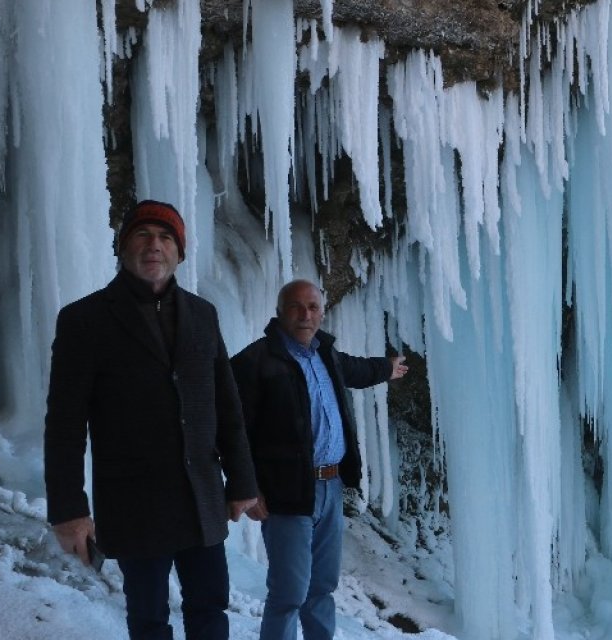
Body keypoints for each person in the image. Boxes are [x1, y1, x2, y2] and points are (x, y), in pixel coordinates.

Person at [45, 200, 259, 640]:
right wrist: (68, 511)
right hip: (134, 504)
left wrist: (242, 482)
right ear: (123, 248)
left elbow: (227, 405)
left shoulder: (203, 314)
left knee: (210, 609)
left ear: (179, 252)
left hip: (201, 497)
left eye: (165, 238)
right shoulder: (85, 320)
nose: (154, 246)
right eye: (142, 235)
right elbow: (65, 424)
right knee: (148, 619)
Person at [230, 279, 408, 640]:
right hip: (285, 493)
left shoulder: (326, 356)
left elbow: (357, 370)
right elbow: (231, 431)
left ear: (322, 313)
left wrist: (387, 368)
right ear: (280, 312)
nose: (305, 315)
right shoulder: (255, 361)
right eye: (296, 306)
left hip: (330, 486)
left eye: (312, 307)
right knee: (289, 592)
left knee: (322, 587)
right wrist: (245, 488)